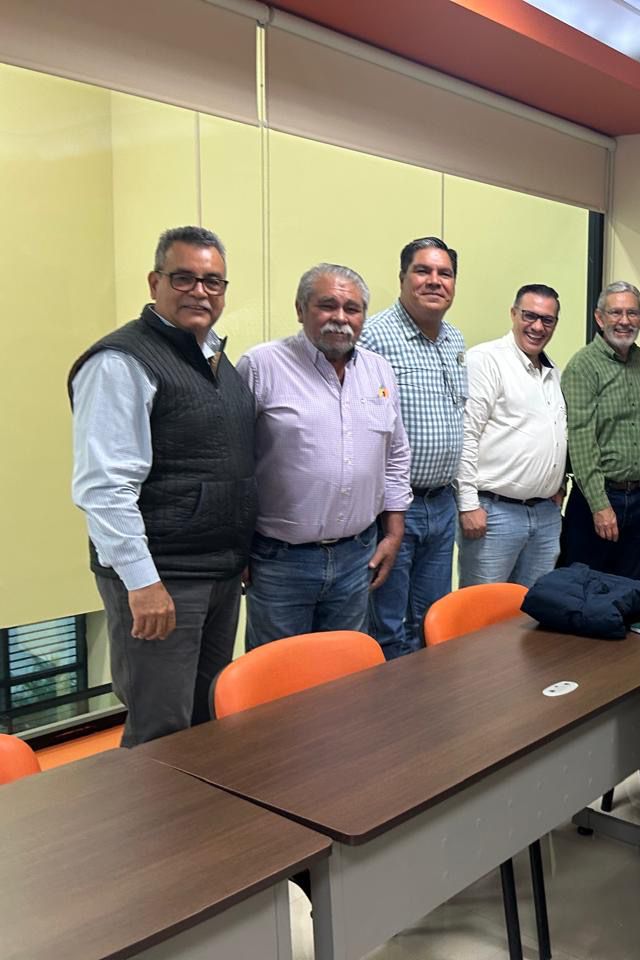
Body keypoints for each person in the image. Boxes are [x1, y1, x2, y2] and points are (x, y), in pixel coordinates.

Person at [69, 226, 256, 747]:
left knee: (205, 718)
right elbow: (104, 487)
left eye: (213, 281)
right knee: (160, 731)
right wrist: (142, 583)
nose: (200, 292)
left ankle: (196, 806)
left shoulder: (214, 358)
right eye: (184, 278)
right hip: (162, 580)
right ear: (155, 283)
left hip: (217, 573)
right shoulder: (120, 362)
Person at [237, 264, 411, 649]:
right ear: (300, 309)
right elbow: (233, 462)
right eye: (327, 305)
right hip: (280, 561)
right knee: (278, 673)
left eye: (352, 308)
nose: (340, 318)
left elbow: (396, 455)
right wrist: (237, 548)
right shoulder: (261, 366)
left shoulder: (379, 371)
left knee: (344, 669)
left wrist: (394, 531)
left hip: (357, 556)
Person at [360, 237, 466, 659]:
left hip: (442, 503)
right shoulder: (373, 336)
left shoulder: (454, 340)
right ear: (403, 277)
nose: (435, 281)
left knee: (433, 620)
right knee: (387, 625)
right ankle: (390, 701)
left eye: (445, 273)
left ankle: (430, 698)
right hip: (393, 509)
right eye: (423, 271)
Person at [456, 284, 567, 587]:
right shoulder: (486, 360)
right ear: (513, 314)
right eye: (530, 316)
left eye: (547, 320)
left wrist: (557, 484)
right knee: (484, 610)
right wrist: (468, 504)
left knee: (532, 608)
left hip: (545, 516)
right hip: (494, 514)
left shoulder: (552, 373)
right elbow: (466, 435)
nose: (537, 327)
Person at [560, 281, 640, 581]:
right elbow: (581, 440)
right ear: (599, 318)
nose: (624, 321)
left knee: (630, 588)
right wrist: (600, 505)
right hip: (600, 499)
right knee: (585, 590)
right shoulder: (583, 366)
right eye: (615, 312)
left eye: (632, 313)